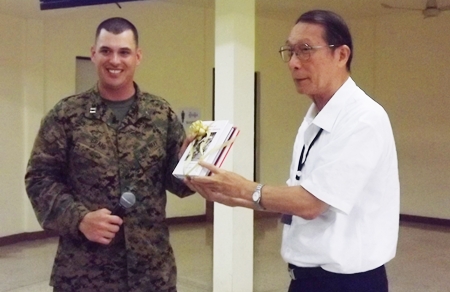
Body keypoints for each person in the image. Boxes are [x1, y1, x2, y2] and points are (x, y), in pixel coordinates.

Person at [186, 9, 400, 292]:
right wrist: (227, 194)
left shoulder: (364, 118)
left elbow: (311, 204)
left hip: (348, 283)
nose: (294, 63)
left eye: (306, 50)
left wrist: (242, 188)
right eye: (290, 51)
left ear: (341, 55)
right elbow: (295, 195)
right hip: (306, 279)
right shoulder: (315, 117)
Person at [25, 17, 194, 292]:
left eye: (124, 52)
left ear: (138, 57)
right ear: (94, 53)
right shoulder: (67, 115)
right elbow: (39, 180)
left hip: (150, 275)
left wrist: (193, 162)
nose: (114, 60)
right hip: (84, 274)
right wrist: (79, 218)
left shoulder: (159, 114)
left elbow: (178, 183)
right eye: (106, 50)